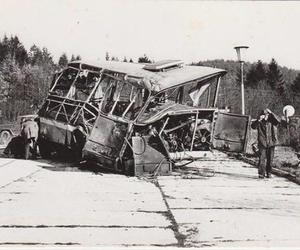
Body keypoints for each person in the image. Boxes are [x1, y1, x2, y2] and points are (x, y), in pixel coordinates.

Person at [251, 108, 280, 179]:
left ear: (269, 115)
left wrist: (272, 112)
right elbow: (253, 126)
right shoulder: (260, 122)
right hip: (262, 143)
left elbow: (278, 121)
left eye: (267, 114)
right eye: (264, 114)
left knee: (270, 160)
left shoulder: (272, 121)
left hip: (271, 143)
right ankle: (261, 174)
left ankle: (269, 173)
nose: (265, 116)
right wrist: (258, 120)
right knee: (262, 160)